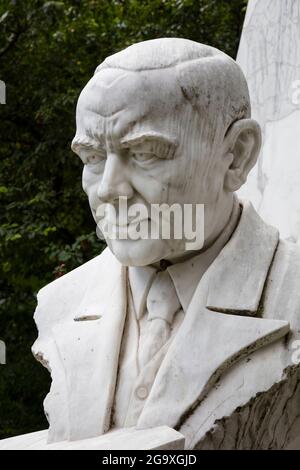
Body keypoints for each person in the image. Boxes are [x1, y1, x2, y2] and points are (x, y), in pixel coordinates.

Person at [32, 38, 300, 449]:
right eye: (92, 158)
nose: (109, 190)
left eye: (145, 153)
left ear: (237, 156)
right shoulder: (59, 304)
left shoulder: (290, 292)